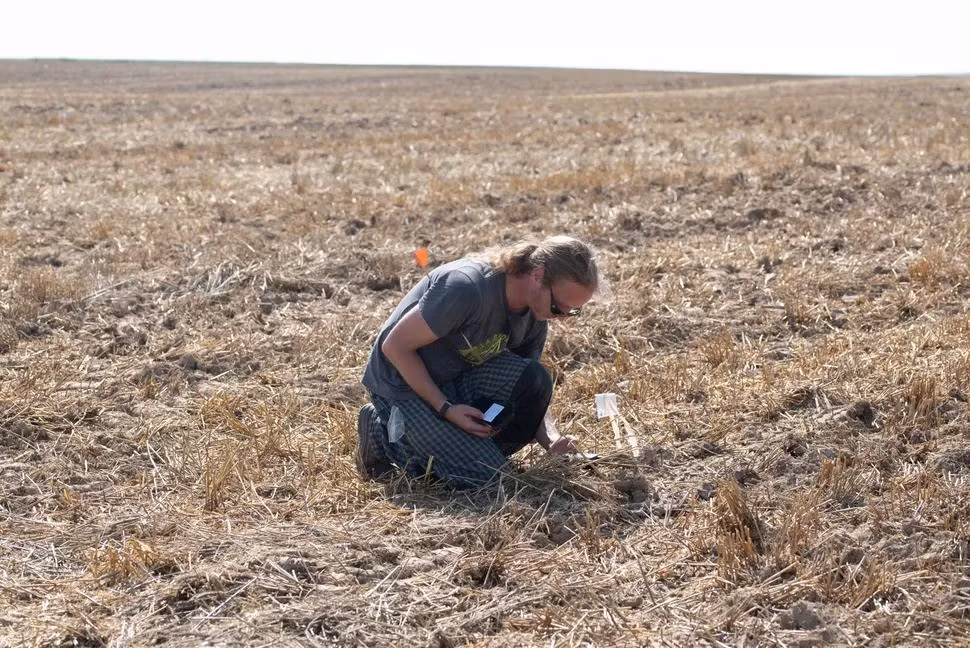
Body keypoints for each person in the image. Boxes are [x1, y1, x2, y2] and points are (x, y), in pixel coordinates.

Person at [357, 235, 599, 489]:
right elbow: (394, 347)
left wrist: (553, 441)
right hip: (401, 382)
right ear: (537, 275)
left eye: (573, 311)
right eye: (559, 307)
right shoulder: (466, 288)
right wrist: (446, 409)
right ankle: (381, 432)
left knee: (535, 380)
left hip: (458, 376)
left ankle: (457, 451)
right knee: (488, 481)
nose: (562, 317)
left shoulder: (535, 314)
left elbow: (528, 388)